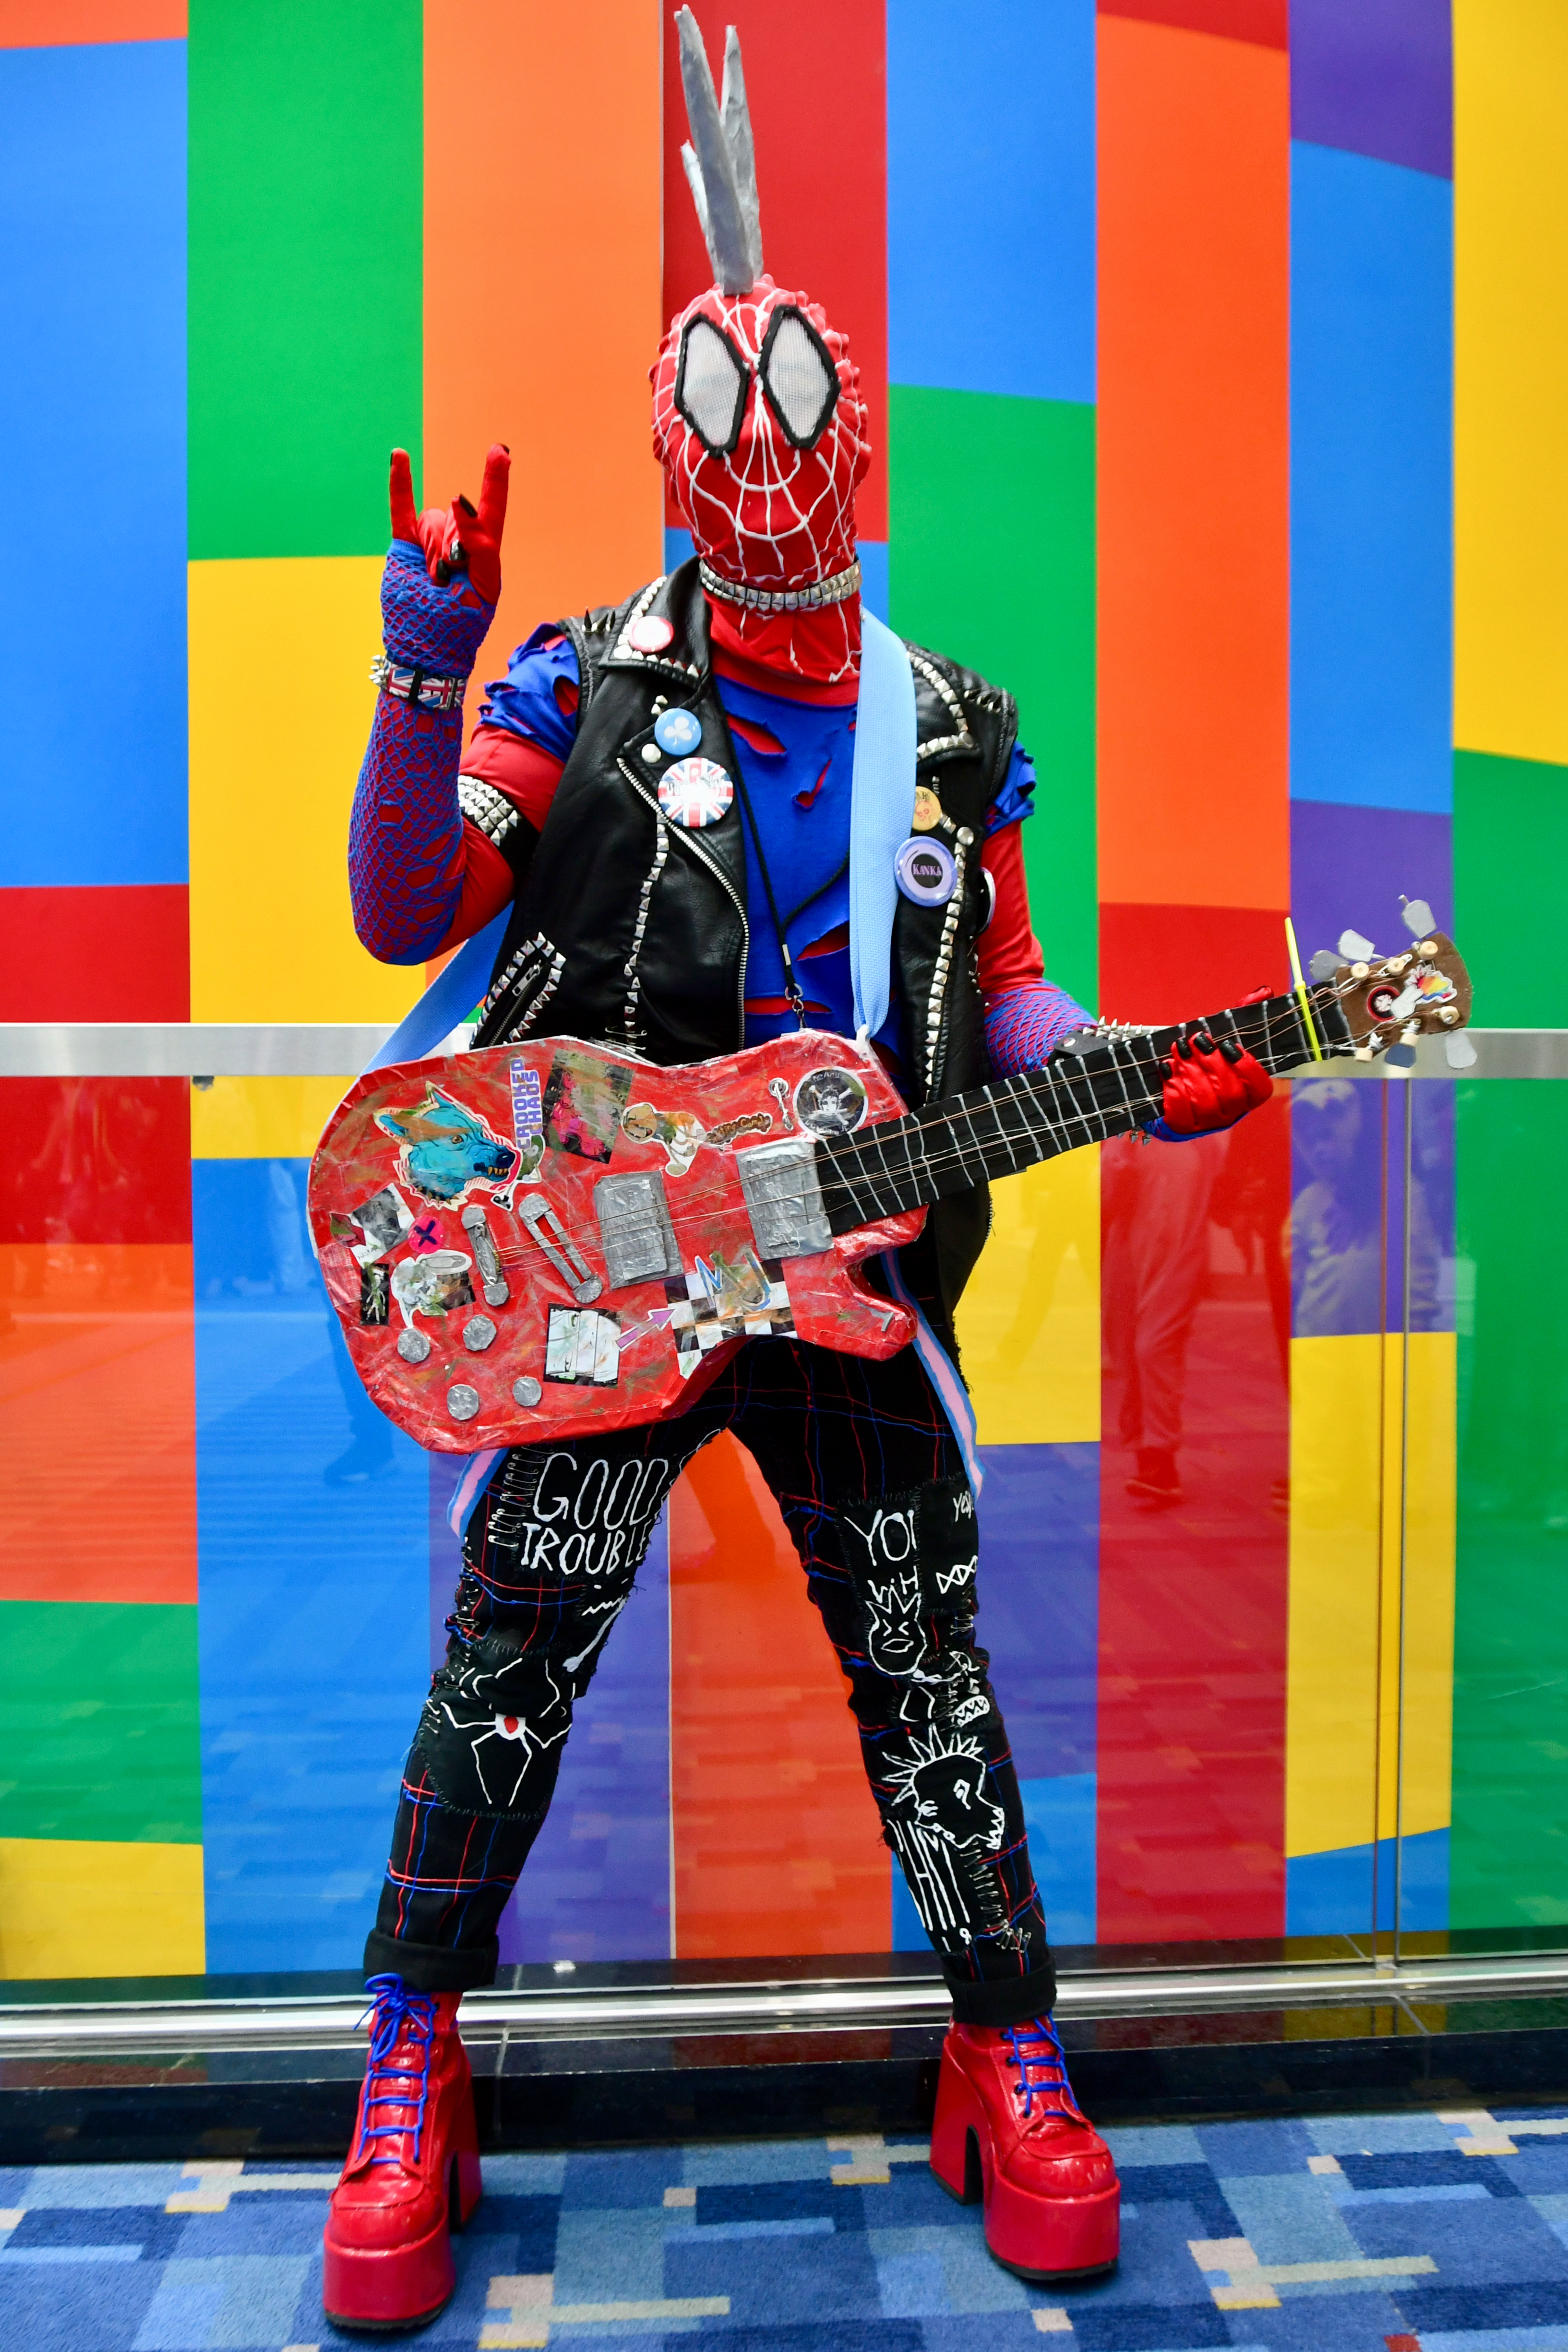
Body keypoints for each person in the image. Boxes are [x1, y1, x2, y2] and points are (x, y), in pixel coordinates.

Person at [319, 14, 1271, 2331]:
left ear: (853, 456)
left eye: (799, 441)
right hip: (606, 1275)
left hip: (850, 1266)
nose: (768, 491)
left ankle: (1003, 2041)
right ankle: (412, 2052)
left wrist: (1137, 1073)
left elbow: (1010, 1007)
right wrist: (425, 663)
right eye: (727, 442)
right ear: (682, 459)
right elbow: (401, 911)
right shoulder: (588, 684)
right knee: (508, 1668)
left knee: (928, 1665)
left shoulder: (954, 724)